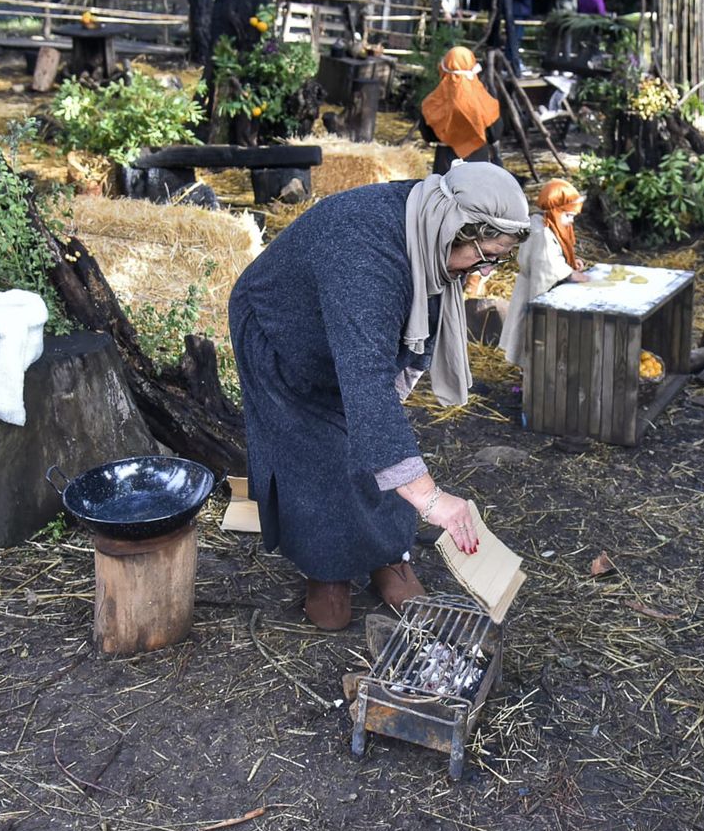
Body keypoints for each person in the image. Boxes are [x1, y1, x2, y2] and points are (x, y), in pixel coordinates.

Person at [227, 163, 530, 630]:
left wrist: (386, 421)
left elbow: (376, 393)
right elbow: (366, 383)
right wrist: (431, 499)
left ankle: (388, 555)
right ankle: (328, 571)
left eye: (496, 260)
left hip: (348, 329)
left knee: (377, 440)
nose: (484, 272)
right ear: (456, 229)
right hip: (281, 331)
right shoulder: (364, 254)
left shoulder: (428, 228)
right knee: (316, 455)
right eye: (483, 257)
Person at [501, 179, 589, 366]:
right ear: (555, 211)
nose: (571, 221)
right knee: (532, 335)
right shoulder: (541, 233)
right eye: (568, 215)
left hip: (534, 287)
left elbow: (556, 255)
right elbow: (546, 263)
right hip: (532, 292)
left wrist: (570, 262)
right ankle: (530, 373)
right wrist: (570, 273)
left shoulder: (550, 226)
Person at [420, 47, 501, 175]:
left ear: (444, 67)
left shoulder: (433, 102)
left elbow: (427, 135)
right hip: (478, 164)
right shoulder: (484, 100)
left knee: (445, 188)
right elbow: (495, 134)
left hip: (445, 163)